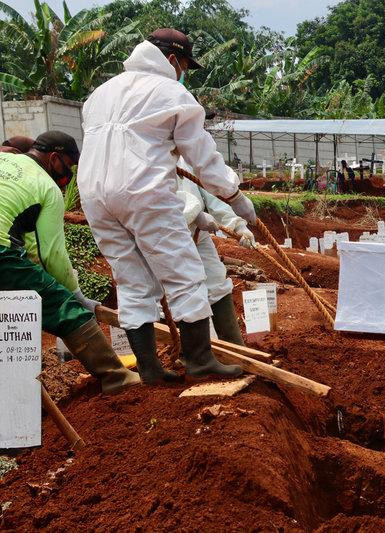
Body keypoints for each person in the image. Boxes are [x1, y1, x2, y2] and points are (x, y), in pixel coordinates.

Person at [78, 29, 256, 384]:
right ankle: (200, 360)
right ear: (173, 60)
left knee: (130, 279)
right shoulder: (172, 92)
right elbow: (202, 158)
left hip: (94, 195)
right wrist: (235, 197)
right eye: (185, 66)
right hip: (142, 192)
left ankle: (150, 370)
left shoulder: (99, 94)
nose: (183, 73)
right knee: (185, 273)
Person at [0, 131, 140, 392]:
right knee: (64, 308)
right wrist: (75, 295)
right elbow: (52, 255)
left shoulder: (4, 161)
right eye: (69, 166)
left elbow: (31, 246)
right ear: (54, 159)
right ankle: (116, 377)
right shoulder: (47, 187)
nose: (68, 175)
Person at [177, 158, 255, 345]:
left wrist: (237, 225)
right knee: (181, 291)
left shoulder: (186, 156)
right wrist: (190, 213)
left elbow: (211, 191)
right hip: (167, 236)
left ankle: (234, 346)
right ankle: (189, 353)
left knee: (216, 279)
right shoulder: (147, 149)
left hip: (197, 233)